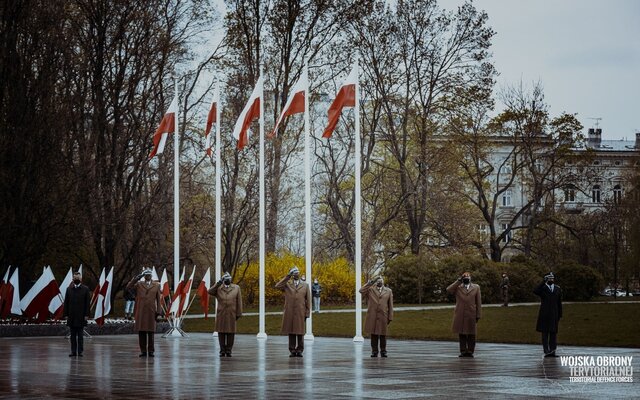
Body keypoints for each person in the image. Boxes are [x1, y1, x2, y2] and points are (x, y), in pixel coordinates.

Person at [126, 269, 163, 357]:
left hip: (151, 311)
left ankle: (151, 351)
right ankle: (143, 351)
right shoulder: (139, 284)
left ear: (151, 276)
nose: (148, 276)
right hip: (141, 310)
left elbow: (158, 300)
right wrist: (136, 279)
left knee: (151, 332)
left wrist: (158, 312)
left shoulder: (156, 285)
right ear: (144, 276)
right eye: (146, 275)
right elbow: (128, 288)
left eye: (149, 275)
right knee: (141, 332)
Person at [275, 266, 310, 357]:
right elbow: (277, 286)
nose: (296, 274)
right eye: (294, 273)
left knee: (300, 331)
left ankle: (300, 350)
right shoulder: (287, 284)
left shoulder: (305, 285)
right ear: (292, 275)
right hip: (289, 311)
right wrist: (287, 276)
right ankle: (292, 350)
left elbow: (308, 300)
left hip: (300, 311)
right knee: (291, 331)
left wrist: (307, 312)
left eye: (297, 273)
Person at [447, 272, 482, 358]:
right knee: (462, 333)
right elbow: (448, 290)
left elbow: (478, 302)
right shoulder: (458, 287)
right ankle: (463, 351)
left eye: (468, 276)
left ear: (471, 278)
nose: (466, 278)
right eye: (464, 276)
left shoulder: (476, 287)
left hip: (471, 313)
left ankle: (470, 351)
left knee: (471, 333)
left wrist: (478, 314)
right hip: (460, 313)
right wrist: (458, 280)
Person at [208, 272, 243, 357]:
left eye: (229, 279)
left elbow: (239, 301)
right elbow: (209, 291)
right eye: (226, 279)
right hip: (221, 313)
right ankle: (222, 351)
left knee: (231, 333)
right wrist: (218, 283)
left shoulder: (236, 288)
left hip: (232, 313)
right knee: (221, 333)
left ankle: (229, 350)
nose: (227, 281)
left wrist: (239, 313)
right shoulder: (219, 288)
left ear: (231, 280)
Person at [359, 276, 394, 357]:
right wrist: (370, 283)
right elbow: (361, 290)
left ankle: (383, 351)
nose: (379, 282)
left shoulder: (388, 291)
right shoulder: (370, 289)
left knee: (383, 334)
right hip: (372, 315)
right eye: (378, 281)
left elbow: (391, 305)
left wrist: (390, 317)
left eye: (381, 281)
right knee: (373, 334)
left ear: (383, 282)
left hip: (383, 315)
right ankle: (374, 351)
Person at [534, 272, 562, 357]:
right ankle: (546, 351)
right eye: (549, 279)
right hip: (544, 314)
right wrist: (543, 281)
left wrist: (560, 314)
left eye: (552, 278)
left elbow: (559, 303)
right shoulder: (543, 288)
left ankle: (553, 351)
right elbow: (535, 291)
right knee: (545, 334)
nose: (551, 280)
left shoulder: (557, 289)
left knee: (553, 333)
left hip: (554, 314)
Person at [63, 272, 91, 357]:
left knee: (80, 336)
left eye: (78, 278)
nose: (76, 280)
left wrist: (87, 315)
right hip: (71, 316)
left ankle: (80, 351)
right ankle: (73, 351)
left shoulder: (85, 289)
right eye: (75, 278)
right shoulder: (69, 289)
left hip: (81, 316)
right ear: (73, 279)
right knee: (73, 336)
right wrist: (66, 314)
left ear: (81, 279)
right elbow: (66, 303)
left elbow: (87, 304)